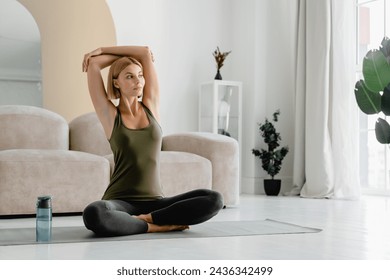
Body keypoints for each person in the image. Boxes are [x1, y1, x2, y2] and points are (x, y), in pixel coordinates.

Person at [81, 46, 224, 236]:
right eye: (129, 76)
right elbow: (94, 63)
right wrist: (102, 54)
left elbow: (145, 52)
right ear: (116, 83)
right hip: (120, 201)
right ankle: (157, 226)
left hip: (156, 202)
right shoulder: (110, 114)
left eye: (140, 75)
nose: (138, 81)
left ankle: (147, 219)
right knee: (95, 213)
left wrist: (104, 49)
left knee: (214, 199)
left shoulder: (151, 105)